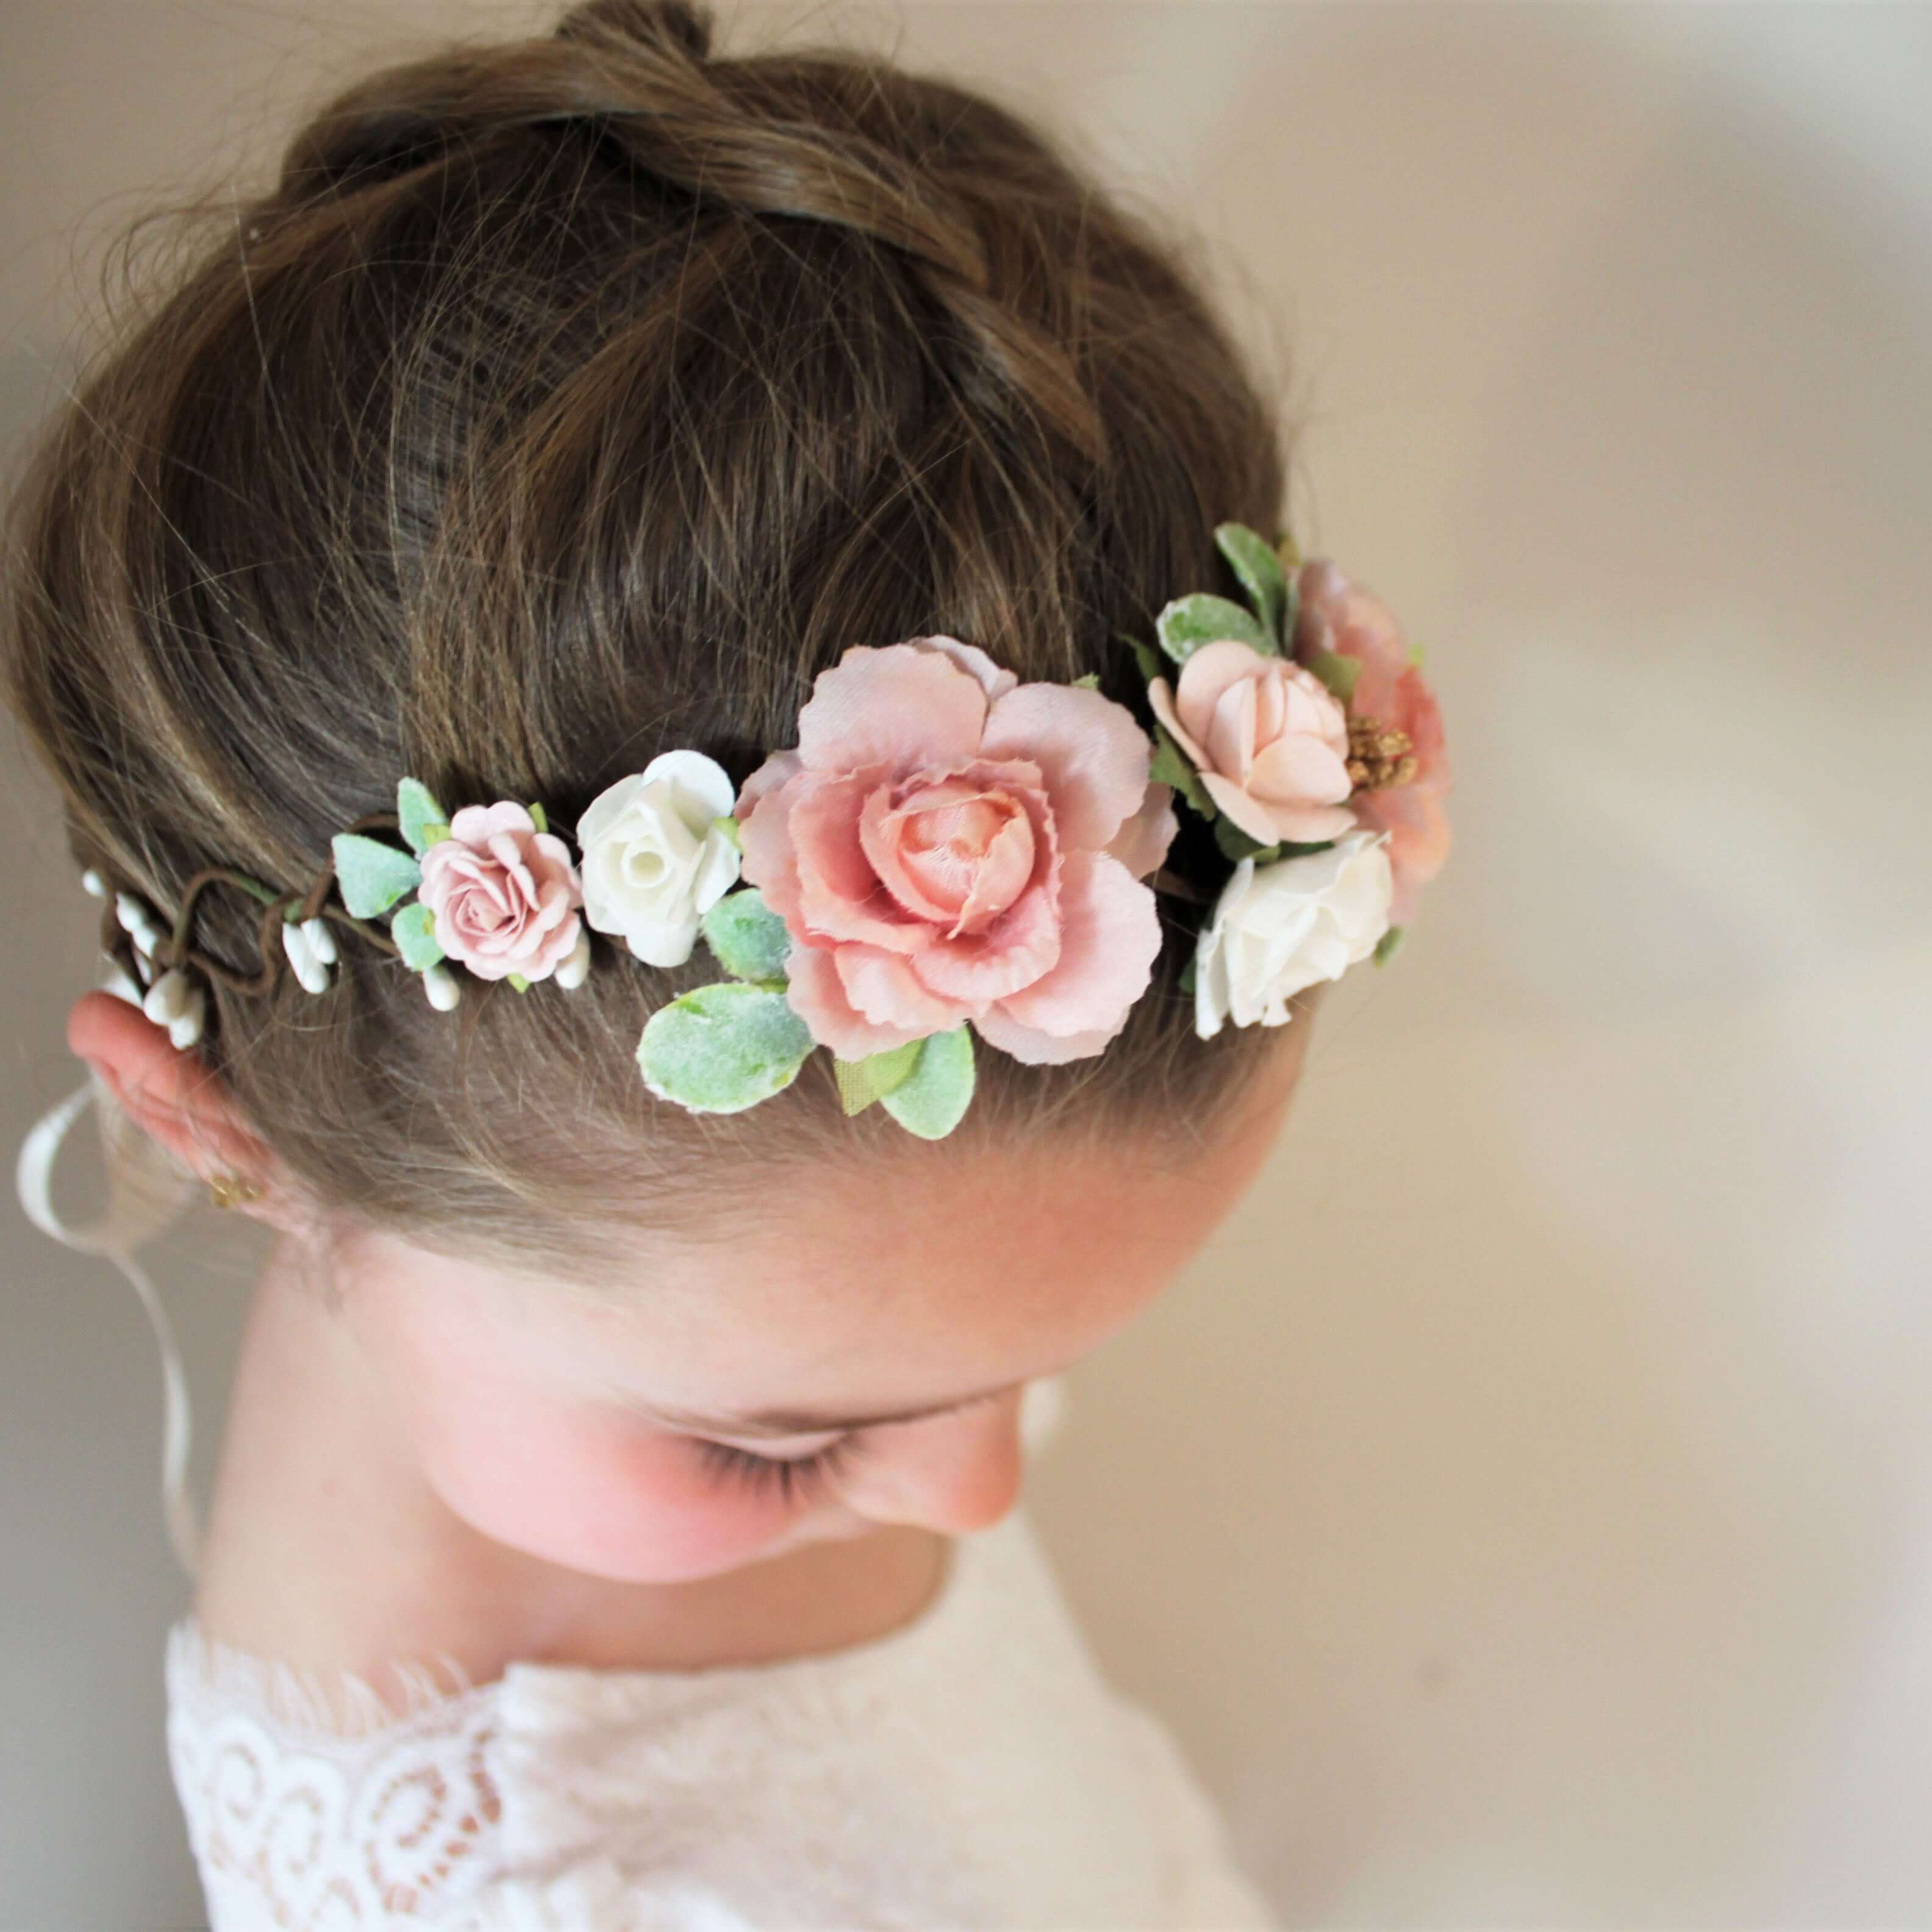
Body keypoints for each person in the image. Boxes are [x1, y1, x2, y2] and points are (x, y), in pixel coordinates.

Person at [5, 2, 1449, 1922]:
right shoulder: (527, 1877)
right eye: (783, 1448)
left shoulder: (611, 1271)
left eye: (1026, 1374)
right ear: (227, 1134)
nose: (981, 1496)